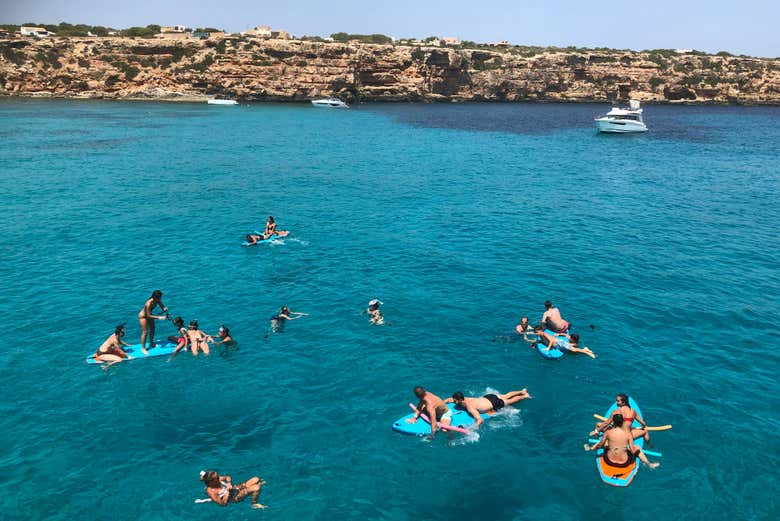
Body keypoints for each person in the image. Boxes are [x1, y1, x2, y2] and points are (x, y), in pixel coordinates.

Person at [584, 413, 659, 469]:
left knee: (604, 443)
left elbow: (600, 445)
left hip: (609, 461)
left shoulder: (608, 432)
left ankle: (589, 448)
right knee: (637, 447)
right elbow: (633, 451)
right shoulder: (628, 434)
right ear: (622, 423)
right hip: (623, 463)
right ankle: (649, 464)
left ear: (613, 422)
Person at [445, 389, 531, 428]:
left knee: (510, 401)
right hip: (488, 397)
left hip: (494, 403)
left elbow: (480, 420)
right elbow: (449, 399)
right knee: (506, 395)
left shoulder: (470, 407)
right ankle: (522, 391)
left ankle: (524, 396)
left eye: (455, 401)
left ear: (460, 400)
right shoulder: (465, 398)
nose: (454, 402)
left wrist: (471, 428)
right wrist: (442, 403)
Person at [200, 470, 267, 509]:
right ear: (211, 481)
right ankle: (254, 504)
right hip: (234, 497)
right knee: (256, 488)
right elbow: (223, 504)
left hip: (234, 488)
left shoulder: (217, 479)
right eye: (217, 478)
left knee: (256, 479)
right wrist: (226, 494)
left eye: (218, 476)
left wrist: (229, 483)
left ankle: (252, 487)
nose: (219, 478)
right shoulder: (211, 492)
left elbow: (227, 477)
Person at [529, 326, 596, 358]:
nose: (536, 333)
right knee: (572, 350)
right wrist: (528, 333)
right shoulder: (541, 334)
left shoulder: (544, 334)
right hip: (558, 344)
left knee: (574, 350)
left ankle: (587, 353)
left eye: (537, 332)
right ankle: (585, 349)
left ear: (540, 331)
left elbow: (551, 340)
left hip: (560, 343)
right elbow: (539, 337)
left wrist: (548, 348)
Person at [138, 290, 169, 355]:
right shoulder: (148, 303)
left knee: (153, 329)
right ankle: (143, 348)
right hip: (143, 317)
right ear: (155, 297)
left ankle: (151, 343)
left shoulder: (158, 300)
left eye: (160, 297)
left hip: (149, 315)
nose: (160, 298)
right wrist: (159, 317)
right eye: (159, 297)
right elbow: (148, 315)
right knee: (145, 332)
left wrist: (164, 309)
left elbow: (162, 306)